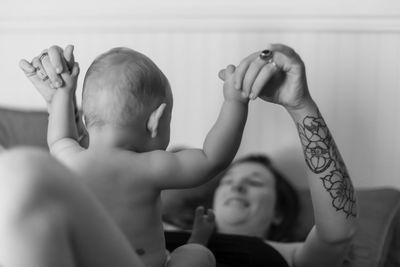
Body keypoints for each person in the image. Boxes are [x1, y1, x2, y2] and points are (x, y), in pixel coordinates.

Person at [13, 45, 249, 267]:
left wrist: (63, 93)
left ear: (86, 118)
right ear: (155, 120)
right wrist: (235, 101)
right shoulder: (150, 167)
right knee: (197, 255)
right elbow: (213, 158)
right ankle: (196, 242)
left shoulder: (69, 158)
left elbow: (59, 136)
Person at [164, 45, 358, 267]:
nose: (237, 188)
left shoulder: (292, 255)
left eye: (255, 182)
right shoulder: (154, 227)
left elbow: (338, 234)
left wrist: (300, 105)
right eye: (228, 181)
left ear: (278, 213)